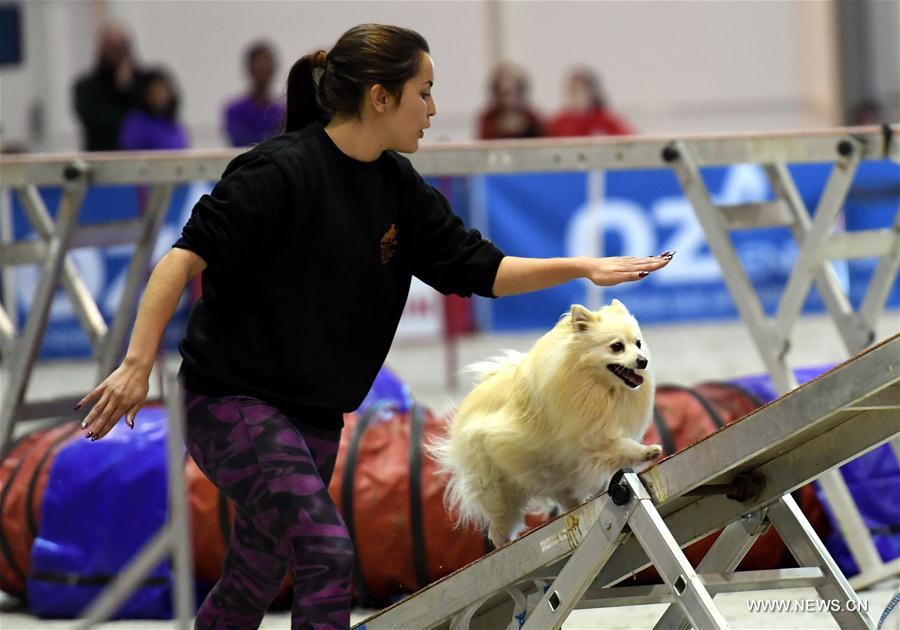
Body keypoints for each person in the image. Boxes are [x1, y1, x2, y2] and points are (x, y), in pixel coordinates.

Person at [76, 24, 672, 629]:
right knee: (325, 550)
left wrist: (583, 267)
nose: (434, 110)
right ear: (380, 98)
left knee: (258, 565)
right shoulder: (277, 171)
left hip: (313, 413)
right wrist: (135, 364)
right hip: (232, 402)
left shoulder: (398, 189)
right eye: (425, 91)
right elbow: (180, 259)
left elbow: (482, 268)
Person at [73, 23, 144, 151]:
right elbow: (97, 120)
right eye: (110, 47)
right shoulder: (86, 86)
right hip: (101, 155)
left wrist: (129, 88)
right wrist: (119, 92)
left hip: (139, 158)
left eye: (120, 47)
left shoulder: (143, 82)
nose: (115, 53)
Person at [223, 41, 286, 146]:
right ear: (249, 69)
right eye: (259, 65)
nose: (263, 69)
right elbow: (239, 142)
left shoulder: (282, 112)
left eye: (267, 64)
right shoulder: (234, 110)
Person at [545, 67, 634, 138]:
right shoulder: (559, 123)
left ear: (591, 93)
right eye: (571, 91)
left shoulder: (606, 120)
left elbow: (628, 140)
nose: (574, 97)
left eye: (578, 91)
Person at [119, 67, 189, 151]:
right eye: (155, 91)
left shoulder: (174, 124)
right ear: (146, 94)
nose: (159, 96)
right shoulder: (136, 123)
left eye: (163, 91)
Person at [477, 62, 542, 139]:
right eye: (503, 93)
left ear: (521, 92)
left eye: (513, 92)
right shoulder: (488, 118)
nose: (508, 99)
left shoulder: (532, 118)